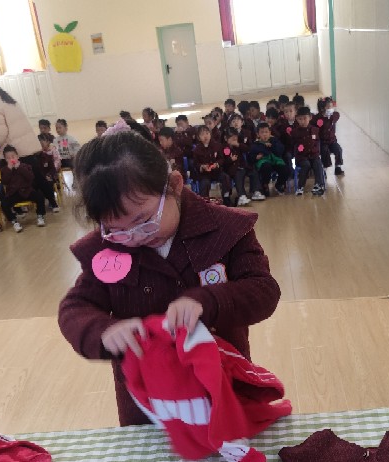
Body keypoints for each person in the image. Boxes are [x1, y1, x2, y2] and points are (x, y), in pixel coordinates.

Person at [56, 128, 281, 426]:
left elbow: (263, 290)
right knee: (152, 457)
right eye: (117, 230)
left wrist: (209, 301)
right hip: (147, 403)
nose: (135, 237)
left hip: (222, 385)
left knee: (230, 447)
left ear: (174, 185)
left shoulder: (226, 229)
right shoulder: (107, 250)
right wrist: (102, 330)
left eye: (144, 221)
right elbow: (74, 307)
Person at [0, 77, 43, 183]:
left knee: (21, 180)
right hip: (28, 144)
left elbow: (0, 133)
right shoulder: (8, 99)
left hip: (17, 149)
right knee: (37, 177)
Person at [0, 145, 46, 232]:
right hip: (13, 193)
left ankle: (40, 216)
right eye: (8, 158)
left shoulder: (25, 166)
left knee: (40, 196)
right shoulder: (4, 170)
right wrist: (9, 169)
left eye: (13, 156)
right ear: (5, 160)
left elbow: (30, 177)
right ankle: (14, 221)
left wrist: (19, 168)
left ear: (17, 157)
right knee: (4, 204)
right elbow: (4, 181)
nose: (11, 159)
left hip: (27, 191)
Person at [191, 125, 231, 204]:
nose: (205, 136)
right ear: (198, 137)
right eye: (202, 134)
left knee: (225, 177)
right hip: (205, 174)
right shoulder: (196, 150)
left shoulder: (217, 145)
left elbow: (221, 159)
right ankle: (204, 202)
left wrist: (217, 164)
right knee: (205, 183)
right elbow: (195, 164)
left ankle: (226, 197)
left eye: (207, 133)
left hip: (216, 171)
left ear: (210, 134)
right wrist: (202, 166)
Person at [292, 106, 326, 196]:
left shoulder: (315, 130)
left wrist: (315, 153)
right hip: (302, 157)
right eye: (300, 119)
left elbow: (317, 144)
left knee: (317, 163)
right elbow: (293, 146)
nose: (302, 121)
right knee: (306, 165)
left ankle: (319, 185)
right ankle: (300, 186)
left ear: (310, 117)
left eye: (305, 118)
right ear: (296, 119)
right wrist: (298, 151)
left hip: (313, 155)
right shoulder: (295, 132)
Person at [249, 122, 287, 197]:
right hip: (264, 162)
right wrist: (258, 154)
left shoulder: (274, 141)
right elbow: (252, 154)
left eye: (266, 132)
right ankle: (265, 185)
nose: (264, 134)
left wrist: (271, 146)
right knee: (266, 167)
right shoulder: (256, 144)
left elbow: (280, 150)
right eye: (262, 132)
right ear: (258, 134)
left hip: (275, 160)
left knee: (285, 168)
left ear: (270, 133)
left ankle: (279, 184)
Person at [315, 97, 344, 176]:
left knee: (338, 149)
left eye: (331, 106)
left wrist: (329, 116)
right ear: (322, 108)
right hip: (322, 142)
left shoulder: (333, 116)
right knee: (325, 151)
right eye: (329, 107)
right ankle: (324, 168)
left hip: (332, 141)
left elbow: (337, 115)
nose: (331, 109)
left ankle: (338, 167)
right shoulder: (317, 118)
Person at [36, 133, 61, 213]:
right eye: (39, 142)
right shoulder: (36, 155)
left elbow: (55, 165)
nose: (41, 144)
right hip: (40, 176)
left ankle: (52, 201)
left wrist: (49, 174)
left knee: (48, 182)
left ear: (47, 141)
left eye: (42, 141)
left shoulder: (51, 151)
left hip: (50, 174)